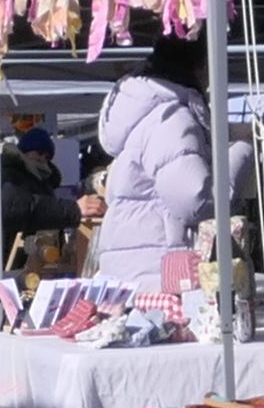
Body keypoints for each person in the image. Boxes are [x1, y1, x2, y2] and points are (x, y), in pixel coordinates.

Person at [87, 38, 220, 288]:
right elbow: (194, 200)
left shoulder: (147, 114)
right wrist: (241, 150)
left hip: (134, 269)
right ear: (201, 66)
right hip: (158, 272)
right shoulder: (171, 118)